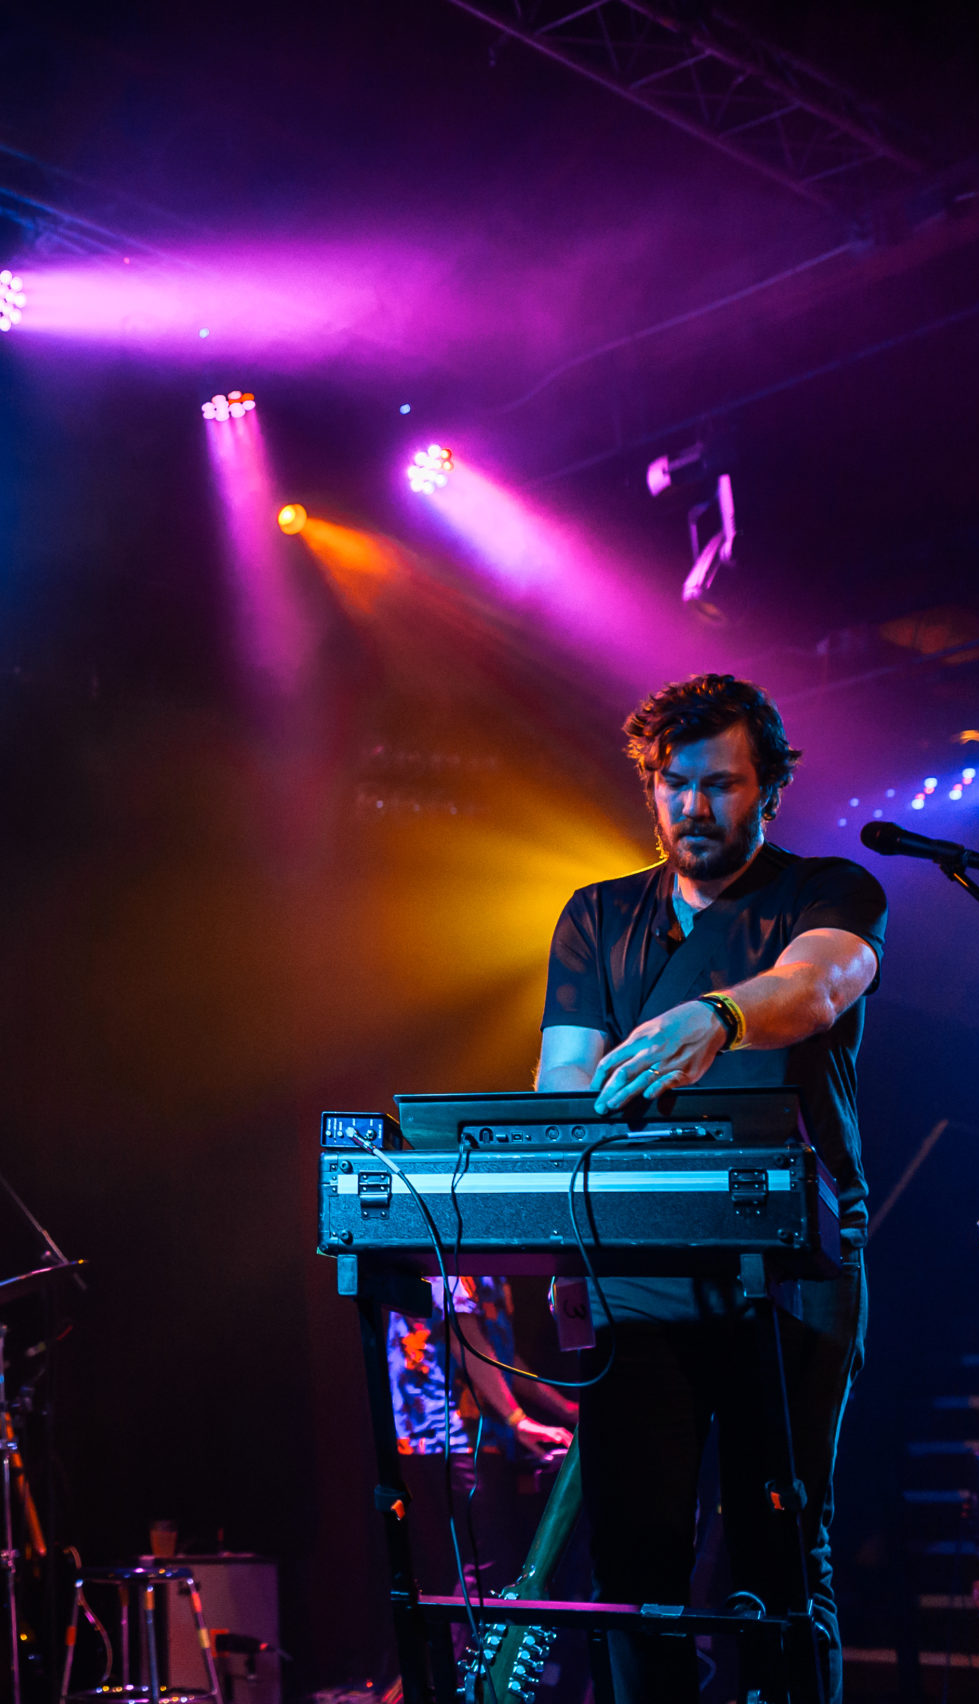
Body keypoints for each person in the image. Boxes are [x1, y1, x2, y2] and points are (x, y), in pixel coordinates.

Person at [535, 675, 884, 1704]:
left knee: (778, 1556)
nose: (692, 807)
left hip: (796, 1272)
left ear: (768, 787)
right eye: (671, 784)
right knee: (634, 1569)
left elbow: (815, 984)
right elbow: (562, 1091)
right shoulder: (596, 917)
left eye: (719, 785)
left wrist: (716, 1018)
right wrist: (564, 1258)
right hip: (637, 1274)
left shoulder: (827, 890)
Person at [386, 1277, 575, 1605]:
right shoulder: (457, 1246)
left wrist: (569, 1410)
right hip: (447, 1435)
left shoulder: (492, 1268)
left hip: (473, 1437)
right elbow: (465, 1341)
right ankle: (472, 1657)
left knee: (482, 1566)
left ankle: (471, 1653)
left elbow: (499, 1358)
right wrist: (519, 1420)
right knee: (477, 1571)